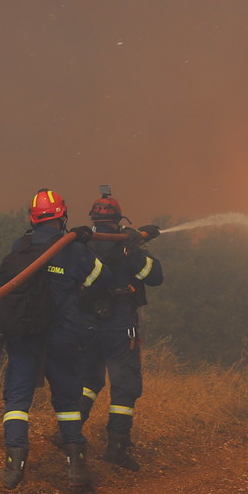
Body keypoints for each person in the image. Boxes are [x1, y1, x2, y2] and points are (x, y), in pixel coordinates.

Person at [0, 190, 124, 494]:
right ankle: (76, 469)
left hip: (24, 337)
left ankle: (13, 467)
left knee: (17, 400)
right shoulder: (74, 250)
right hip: (63, 336)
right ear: (62, 216)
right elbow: (101, 278)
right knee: (67, 402)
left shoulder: (20, 247)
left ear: (33, 218)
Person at [78, 190, 163, 470]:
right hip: (120, 324)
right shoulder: (129, 247)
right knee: (124, 385)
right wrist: (138, 247)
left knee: (89, 380)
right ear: (118, 220)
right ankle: (116, 447)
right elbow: (154, 277)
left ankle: (68, 434)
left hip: (87, 324)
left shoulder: (82, 245)